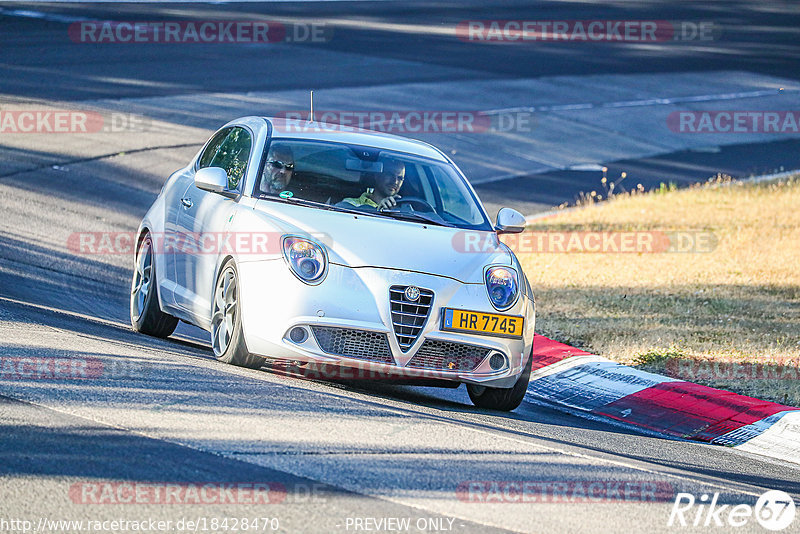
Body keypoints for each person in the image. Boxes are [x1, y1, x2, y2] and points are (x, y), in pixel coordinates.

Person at [337, 159, 405, 211]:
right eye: (390, 175)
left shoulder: (406, 213)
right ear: (377, 175)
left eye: (400, 178)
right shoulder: (351, 204)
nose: (395, 182)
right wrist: (378, 211)